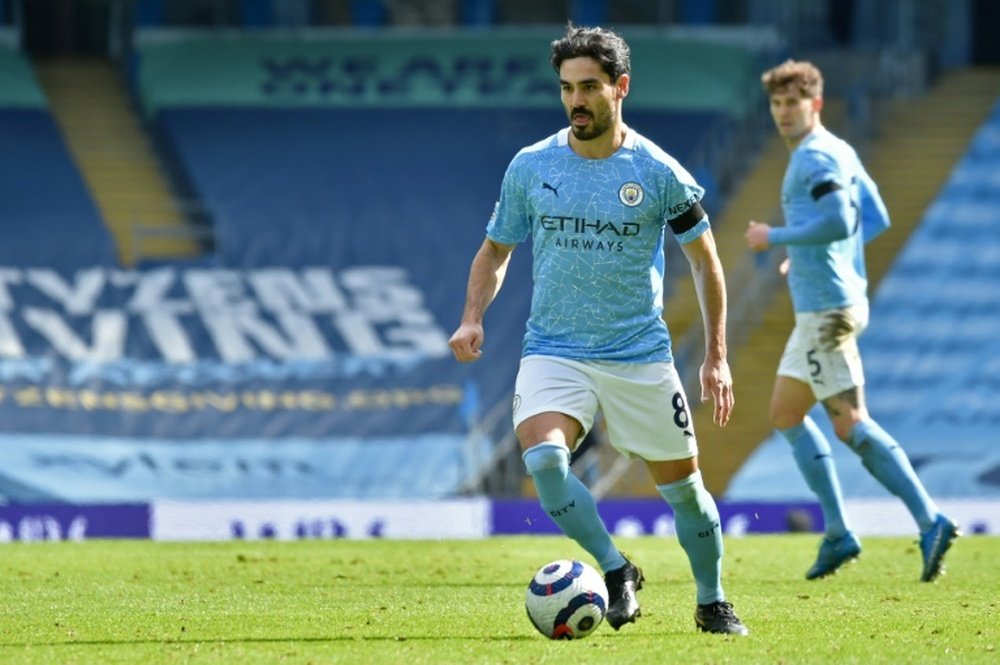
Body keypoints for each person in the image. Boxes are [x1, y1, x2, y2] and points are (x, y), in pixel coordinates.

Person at [449, 24, 748, 635]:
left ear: (621, 88)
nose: (575, 101)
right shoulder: (532, 166)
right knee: (546, 464)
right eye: (566, 88)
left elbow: (705, 261)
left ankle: (713, 600)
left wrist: (716, 355)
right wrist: (471, 316)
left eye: (589, 87)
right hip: (554, 349)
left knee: (685, 493)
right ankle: (615, 570)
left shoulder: (660, 172)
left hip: (638, 354)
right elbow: (495, 250)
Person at [744, 59, 959, 582]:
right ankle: (839, 533)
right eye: (776, 104)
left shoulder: (813, 158)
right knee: (785, 415)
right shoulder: (840, 149)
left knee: (852, 425)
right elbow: (875, 216)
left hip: (827, 312)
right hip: (827, 301)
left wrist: (775, 237)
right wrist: (825, 254)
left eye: (793, 102)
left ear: (815, 103)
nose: (783, 113)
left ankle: (931, 520)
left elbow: (840, 219)